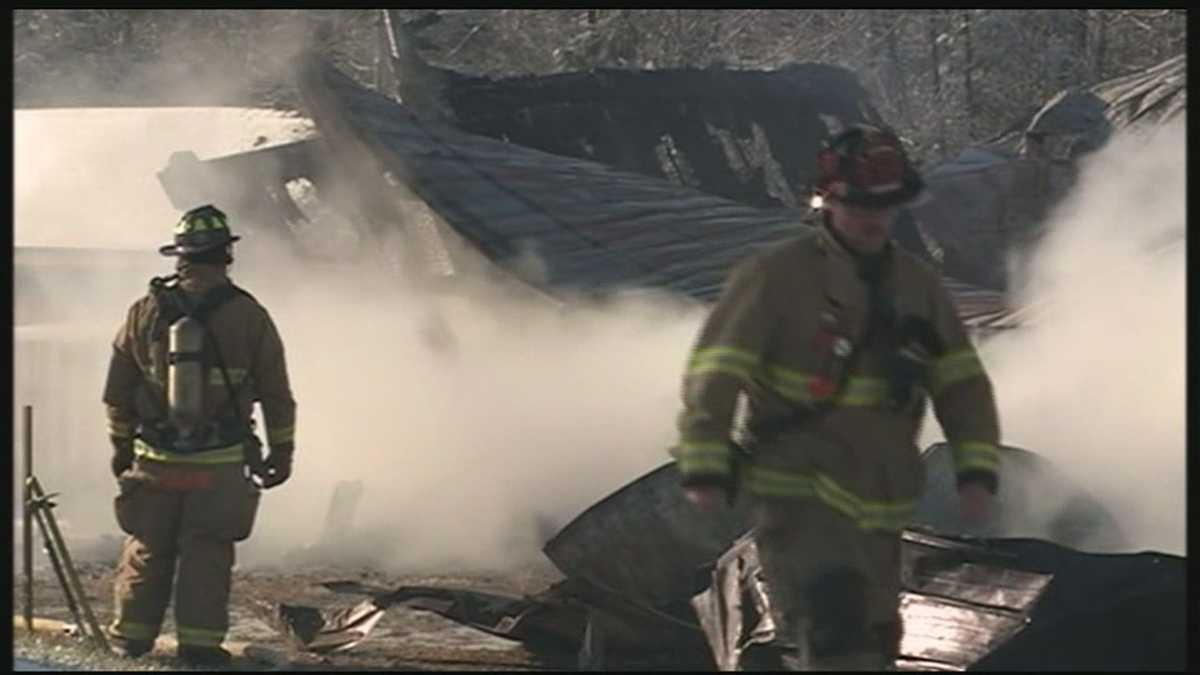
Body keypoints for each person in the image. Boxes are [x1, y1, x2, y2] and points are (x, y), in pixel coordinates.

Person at [671, 125, 1001, 670]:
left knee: (876, 642)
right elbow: (718, 368)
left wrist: (976, 470)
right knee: (836, 637)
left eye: (885, 206)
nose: (874, 218)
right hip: (799, 496)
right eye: (860, 205)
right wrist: (705, 460)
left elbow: (960, 381)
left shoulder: (916, 285)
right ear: (828, 200)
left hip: (881, 504)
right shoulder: (777, 276)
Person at [102, 204, 297, 667]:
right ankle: (200, 648)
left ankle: (129, 643)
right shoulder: (249, 316)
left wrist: (121, 447)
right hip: (219, 463)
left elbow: (117, 392)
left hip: (154, 460)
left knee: (147, 548)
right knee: (207, 553)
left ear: (180, 256)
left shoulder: (144, 312)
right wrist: (281, 452)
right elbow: (276, 394)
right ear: (226, 255)